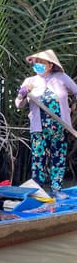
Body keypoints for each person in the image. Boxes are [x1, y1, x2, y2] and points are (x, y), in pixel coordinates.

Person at [15, 49, 77, 199]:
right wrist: (22, 93)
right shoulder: (30, 81)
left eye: (42, 63)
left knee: (58, 158)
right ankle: (38, 191)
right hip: (38, 128)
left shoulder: (61, 78)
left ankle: (56, 189)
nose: (38, 66)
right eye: (36, 63)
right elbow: (18, 104)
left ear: (50, 65)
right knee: (38, 160)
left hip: (60, 127)